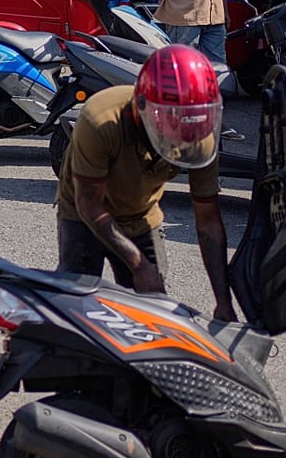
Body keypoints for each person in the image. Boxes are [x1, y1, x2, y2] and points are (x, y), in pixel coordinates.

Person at [54, 44, 236, 321]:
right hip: (83, 212)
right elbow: (89, 205)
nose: (180, 135)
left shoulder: (196, 135)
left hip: (140, 215)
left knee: (152, 308)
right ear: (142, 107)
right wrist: (138, 263)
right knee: (75, 306)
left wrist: (224, 303)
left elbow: (208, 222)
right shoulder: (101, 121)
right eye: (170, 122)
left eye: (188, 126)